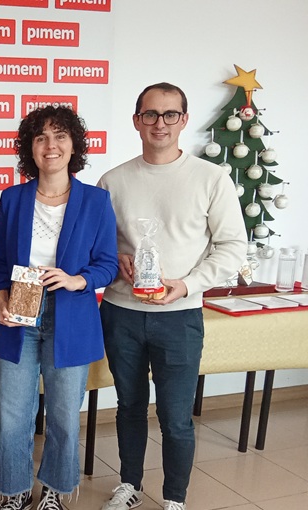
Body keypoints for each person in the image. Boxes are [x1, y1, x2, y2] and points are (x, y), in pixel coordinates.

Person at [98, 83, 246, 510]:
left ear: (184, 120)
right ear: (136, 121)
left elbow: (233, 248)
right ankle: (129, 485)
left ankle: (174, 498)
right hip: (122, 312)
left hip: (180, 315)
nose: (159, 123)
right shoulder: (113, 181)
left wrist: (187, 285)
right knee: (129, 406)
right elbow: (98, 245)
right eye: (150, 114)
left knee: (176, 417)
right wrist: (116, 258)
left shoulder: (211, 178)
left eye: (169, 115)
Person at [0, 107, 118, 510]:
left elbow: (108, 264)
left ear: (74, 145)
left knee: (63, 415)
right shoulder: (13, 198)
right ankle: (14, 491)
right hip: (18, 314)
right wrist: (0, 298)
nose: (51, 145)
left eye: (60, 136)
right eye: (41, 137)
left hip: (71, 316)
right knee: (13, 415)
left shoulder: (96, 201)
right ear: (30, 148)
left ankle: (55, 491)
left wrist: (78, 280)